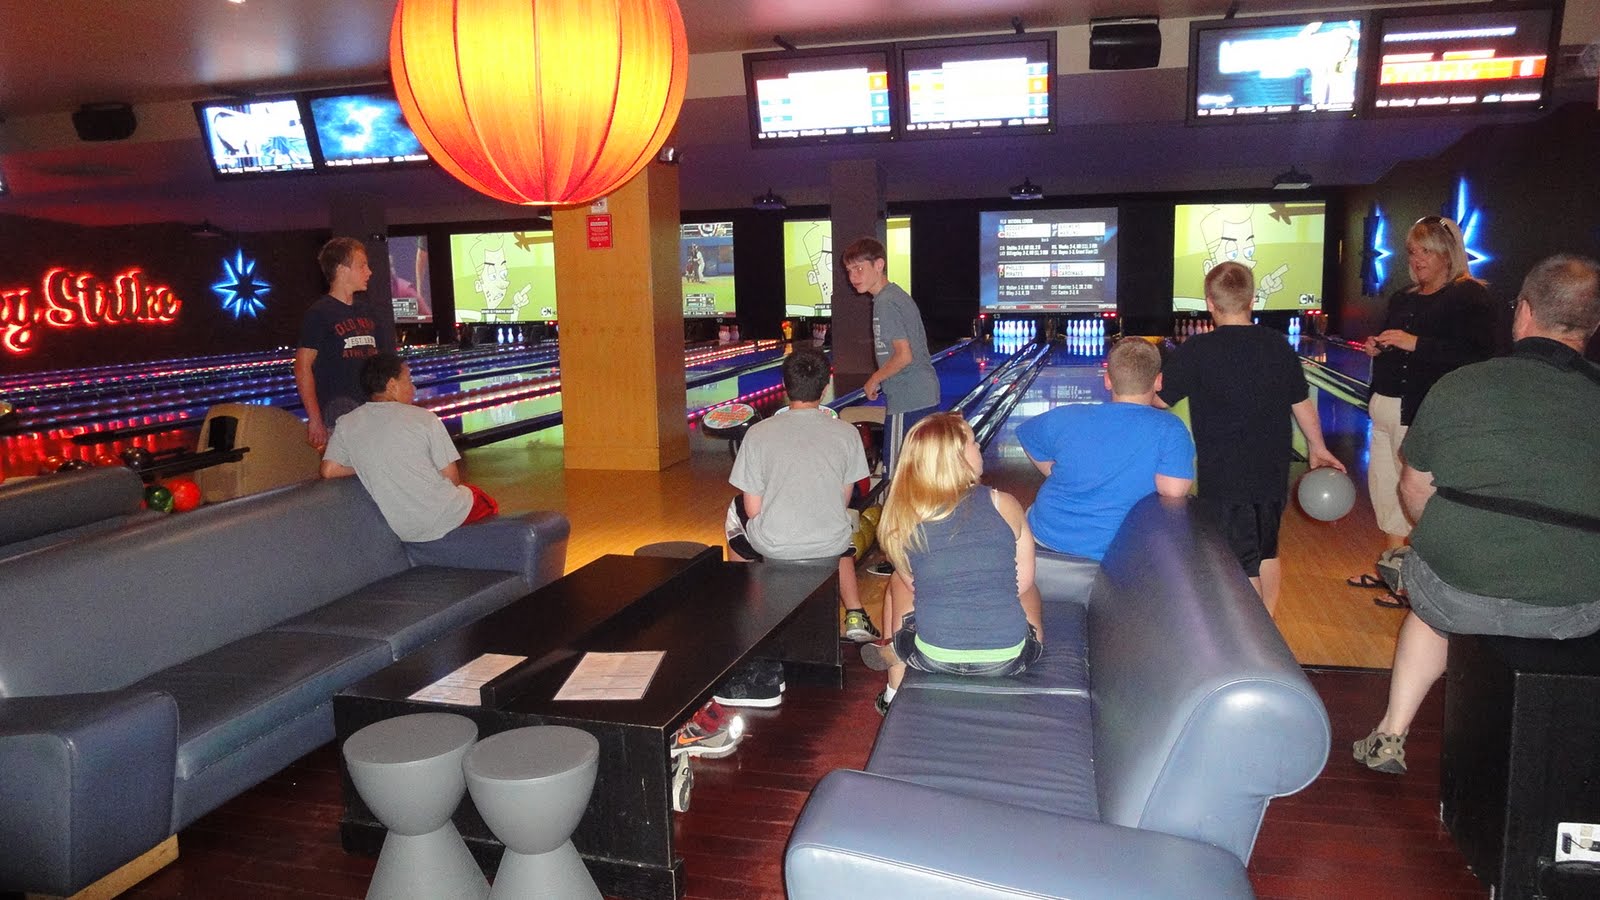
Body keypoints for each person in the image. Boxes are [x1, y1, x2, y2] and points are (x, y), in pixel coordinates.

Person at [1354, 255, 1600, 775]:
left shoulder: (1461, 386)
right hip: (1578, 606)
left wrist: (1439, 539)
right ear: (1593, 324)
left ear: (1523, 313)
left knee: (1427, 601)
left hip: (1457, 593)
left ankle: (1390, 735)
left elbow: (1413, 487)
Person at [1157, 260, 1346, 615]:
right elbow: (1300, 401)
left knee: (1238, 565)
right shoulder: (1277, 345)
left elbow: (1158, 399)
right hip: (1271, 475)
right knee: (1266, 551)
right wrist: (1318, 448)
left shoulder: (1197, 351)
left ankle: (1252, 642)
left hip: (1227, 479)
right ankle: (1269, 625)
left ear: (1209, 302)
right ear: (1253, 299)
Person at [717, 348, 875, 708]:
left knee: (732, 514)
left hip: (774, 546)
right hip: (831, 544)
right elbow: (842, 500)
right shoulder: (846, 432)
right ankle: (855, 612)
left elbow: (752, 509)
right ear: (826, 387)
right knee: (836, 518)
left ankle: (752, 611)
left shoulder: (758, 434)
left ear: (784, 386)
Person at [860, 412, 1045, 715]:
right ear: (958, 458)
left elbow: (915, 587)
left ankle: (894, 684)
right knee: (1031, 589)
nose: (979, 446)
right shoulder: (1004, 503)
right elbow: (1023, 582)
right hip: (1009, 659)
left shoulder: (902, 518)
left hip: (932, 654)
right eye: (973, 442)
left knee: (897, 582)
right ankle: (1016, 637)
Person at [1357, 215, 1495, 578]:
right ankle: (1393, 573)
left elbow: (1479, 355)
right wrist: (1380, 347)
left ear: (1448, 254)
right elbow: (1399, 347)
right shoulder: (1403, 298)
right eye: (1413, 252)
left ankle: (1422, 578)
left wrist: (1415, 343)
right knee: (1386, 492)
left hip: (1423, 413)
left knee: (1416, 495)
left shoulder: (1469, 296)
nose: (1416, 260)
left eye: (1426, 252)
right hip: (1385, 407)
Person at [1017, 338, 1195, 560]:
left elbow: (1027, 436)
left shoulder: (1067, 415)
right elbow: (1173, 490)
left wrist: (1053, 471)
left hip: (1043, 544)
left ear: (1108, 381)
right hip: (1121, 555)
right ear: (1158, 381)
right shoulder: (1170, 429)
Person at [320, 352, 498, 543]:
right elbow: (452, 479)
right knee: (487, 502)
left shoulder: (346, 423)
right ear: (391, 385)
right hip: (443, 515)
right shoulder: (425, 419)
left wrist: (374, 462)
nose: (413, 387)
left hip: (404, 529)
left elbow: (329, 470)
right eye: (409, 380)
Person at [842, 236, 940, 577]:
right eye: (849, 270)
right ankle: (918, 549)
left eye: (859, 268)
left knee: (897, 478)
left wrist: (874, 379)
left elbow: (904, 355)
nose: (853, 276)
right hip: (920, 395)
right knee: (914, 476)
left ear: (879, 264)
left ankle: (900, 556)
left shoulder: (885, 301)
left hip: (908, 399)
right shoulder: (894, 296)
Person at [296, 237, 387, 450]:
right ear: (342, 269)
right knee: (346, 479)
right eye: (362, 265)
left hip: (372, 413)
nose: (369, 271)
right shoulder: (319, 314)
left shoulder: (368, 311)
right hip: (338, 415)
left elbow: (382, 363)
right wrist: (315, 420)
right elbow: (302, 367)